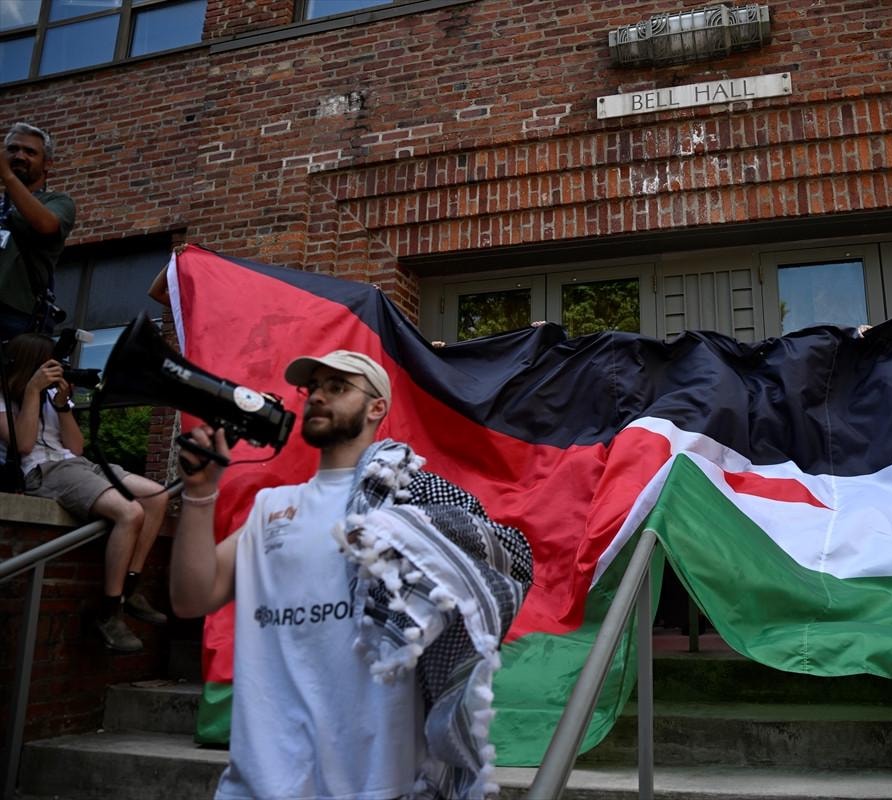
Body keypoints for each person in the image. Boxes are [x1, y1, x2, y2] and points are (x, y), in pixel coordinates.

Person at [170, 350, 532, 800]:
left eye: (337, 387)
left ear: (376, 407)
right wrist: (200, 493)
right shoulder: (271, 508)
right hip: (258, 781)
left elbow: (497, 571)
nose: (317, 397)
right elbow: (191, 598)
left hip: (374, 782)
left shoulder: (415, 506)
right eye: (313, 388)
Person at [0, 333, 169, 652]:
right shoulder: (4, 398)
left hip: (77, 464)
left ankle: (130, 587)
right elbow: (24, 445)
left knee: (157, 495)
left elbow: (76, 447)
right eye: (47, 364)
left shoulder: (53, 395)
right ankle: (109, 612)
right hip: (43, 470)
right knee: (130, 513)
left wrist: (62, 407)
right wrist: (33, 391)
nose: (55, 370)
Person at [0, 122, 76, 341]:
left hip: (15, 314)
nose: (19, 156)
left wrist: (8, 176)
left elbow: (45, 224)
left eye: (30, 152)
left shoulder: (58, 202)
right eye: (13, 149)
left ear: (47, 164)